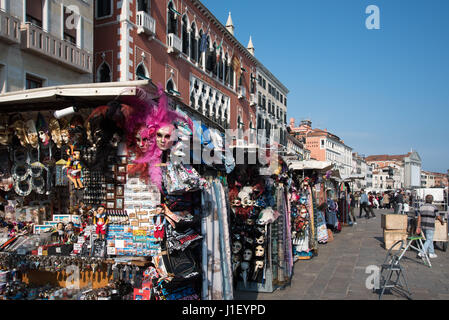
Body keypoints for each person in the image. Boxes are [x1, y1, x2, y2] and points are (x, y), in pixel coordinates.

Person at [416, 194, 444, 259]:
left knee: (429, 239)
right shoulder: (434, 207)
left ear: (425, 200)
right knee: (429, 239)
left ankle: (431, 253)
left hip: (423, 226)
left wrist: (418, 226)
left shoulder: (421, 207)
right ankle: (422, 252)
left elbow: (419, 218)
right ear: (432, 200)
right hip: (430, 225)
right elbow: (438, 216)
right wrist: (441, 221)